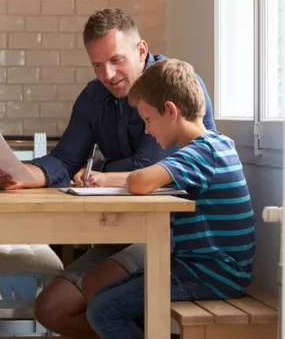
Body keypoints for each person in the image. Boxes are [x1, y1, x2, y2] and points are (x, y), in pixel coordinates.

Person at [0, 8, 217, 337]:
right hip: (124, 234)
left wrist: (96, 170)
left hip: (174, 237)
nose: (108, 74)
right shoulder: (93, 96)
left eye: (116, 60)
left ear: (141, 50)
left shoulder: (174, 88)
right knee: (51, 309)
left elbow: (146, 169)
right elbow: (65, 159)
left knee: (100, 291)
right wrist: (23, 174)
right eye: (97, 65)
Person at [83, 58, 255, 339]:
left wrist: (116, 177)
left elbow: (140, 181)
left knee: (103, 309)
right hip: (208, 268)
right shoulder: (213, 145)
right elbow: (145, 178)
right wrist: (107, 178)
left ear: (171, 111)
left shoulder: (201, 153)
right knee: (104, 296)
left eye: (148, 120)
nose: (148, 130)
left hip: (212, 274)